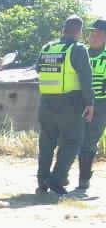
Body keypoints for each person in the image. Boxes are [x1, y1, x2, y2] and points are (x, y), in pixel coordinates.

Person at [36, 16, 95, 197]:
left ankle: (42, 181)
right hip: (70, 103)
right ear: (79, 31)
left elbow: (38, 69)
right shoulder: (78, 49)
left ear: (63, 29)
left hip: (46, 102)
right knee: (72, 142)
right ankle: (57, 179)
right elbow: (86, 78)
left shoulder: (47, 47)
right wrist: (90, 103)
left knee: (46, 143)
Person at [76, 19, 106, 194]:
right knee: (71, 140)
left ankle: (84, 179)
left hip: (100, 105)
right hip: (77, 104)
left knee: (88, 142)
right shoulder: (81, 53)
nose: (93, 37)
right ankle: (60, 176)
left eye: (98, 34)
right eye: (91, 33)